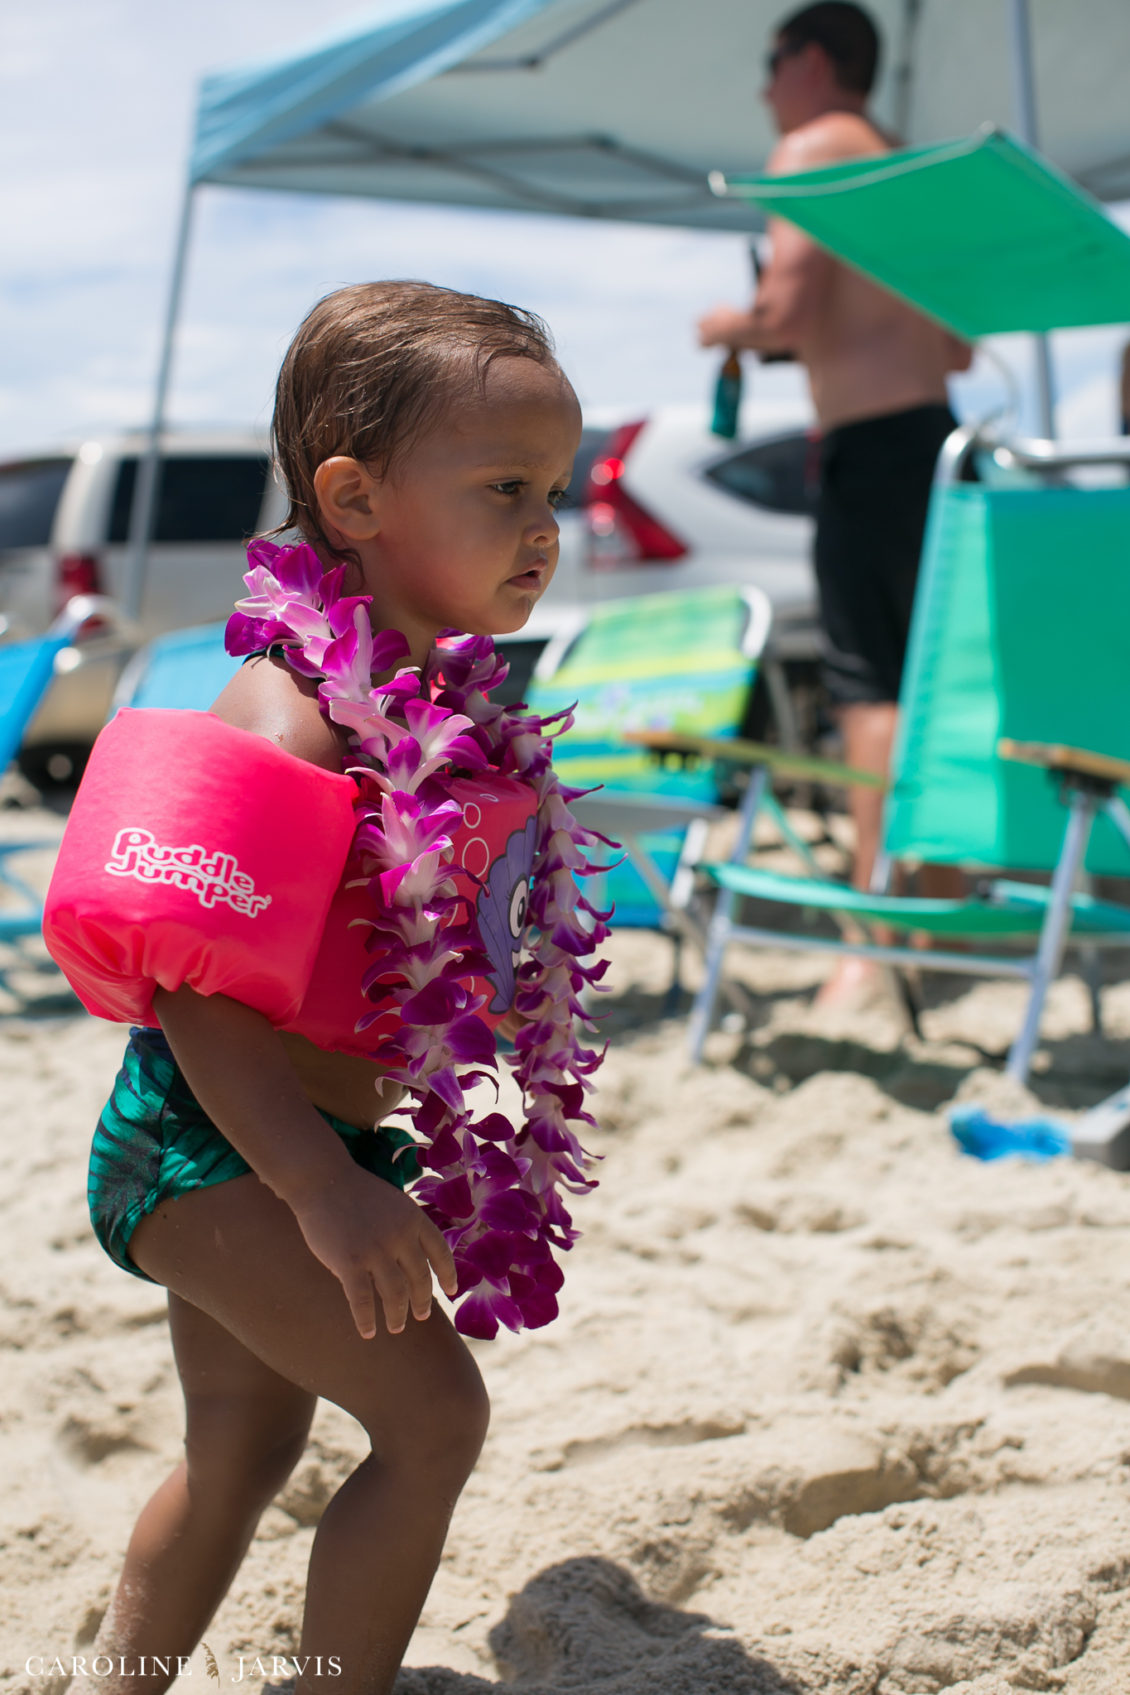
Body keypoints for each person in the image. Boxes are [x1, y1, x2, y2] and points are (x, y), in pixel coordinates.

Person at [56, 282, 586, 1694]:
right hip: (216, 1146)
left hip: (303, 1146)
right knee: (432, 1421)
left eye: (557, 489)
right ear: (352, 499)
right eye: (506, 486)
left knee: (241, 1446)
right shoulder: (290, 718)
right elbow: (193, 989)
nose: (545, 525)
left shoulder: (447, 716)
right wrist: (321, 1189)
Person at [698, 0, 973, 1004]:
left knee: (871, 690)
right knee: (940, 684)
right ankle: (942, 905)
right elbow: (957, 345)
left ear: (811, 59)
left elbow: (784, 310)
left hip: (870, 447)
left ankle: (872, 936)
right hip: (940, 442)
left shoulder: (811, 147)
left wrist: (724, 326)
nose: (762, 86)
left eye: (773, 61)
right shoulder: (907, 167)